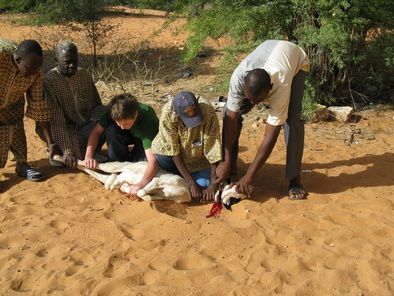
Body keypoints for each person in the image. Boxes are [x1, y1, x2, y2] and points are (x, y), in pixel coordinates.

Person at [216, 40, 310, 200]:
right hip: (269, 53)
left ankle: (294, 180)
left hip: (296, 62)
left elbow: (270, 135)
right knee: (231, 112)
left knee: (292, 121)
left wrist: (249, 175)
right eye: (249, 98)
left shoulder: (281, 84)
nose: (253, 105)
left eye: (257, 101)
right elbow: (230, 119)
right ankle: (230, 165)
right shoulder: (239, 77)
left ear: (270, 90)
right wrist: (225, 158)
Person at [37, 41, 107, 167]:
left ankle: (89, 151)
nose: (72, 65)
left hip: (84, 122)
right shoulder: (49, 82)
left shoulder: (84, 75)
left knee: (108, 116)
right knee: (74, 142)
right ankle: (64, 151)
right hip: (62, 126)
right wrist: (67, 151)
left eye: (75, 61)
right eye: (67, 62)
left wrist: (100, 119)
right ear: (56, 60)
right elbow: (56, 120)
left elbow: (97, 104)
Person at [0, 39, 59, 185]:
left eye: (38, 67)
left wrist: (51, 144)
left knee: (16, 129)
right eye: (31, 67)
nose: (35, 72)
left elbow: (38, 106)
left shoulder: (36, 73)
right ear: (18, 59)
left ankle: (22, 165)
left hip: (13, 104)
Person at [151, 91, 222, 203]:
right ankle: (185, 177)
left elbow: (213, 145)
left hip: (197, 157)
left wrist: (213, 183)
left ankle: (187, 178)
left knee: (209, 184)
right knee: (163, 159)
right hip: (173, 157)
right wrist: (191, 183)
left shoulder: (207, 109)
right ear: (178, 113)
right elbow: (173, 150)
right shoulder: (168, 113)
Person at [85, 93, 159, 194]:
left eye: (126, 123)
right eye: (119, 123)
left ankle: (133, 157)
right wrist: (88, 156)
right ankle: (118, 164)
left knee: (140, 169)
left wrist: (141, 184)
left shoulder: (147, 118)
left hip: (143, 139)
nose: (123, 127)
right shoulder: (113, 110)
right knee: (111, 131)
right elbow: (96, 132)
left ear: (136, 114)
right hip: (124, 136)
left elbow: (153, 161)